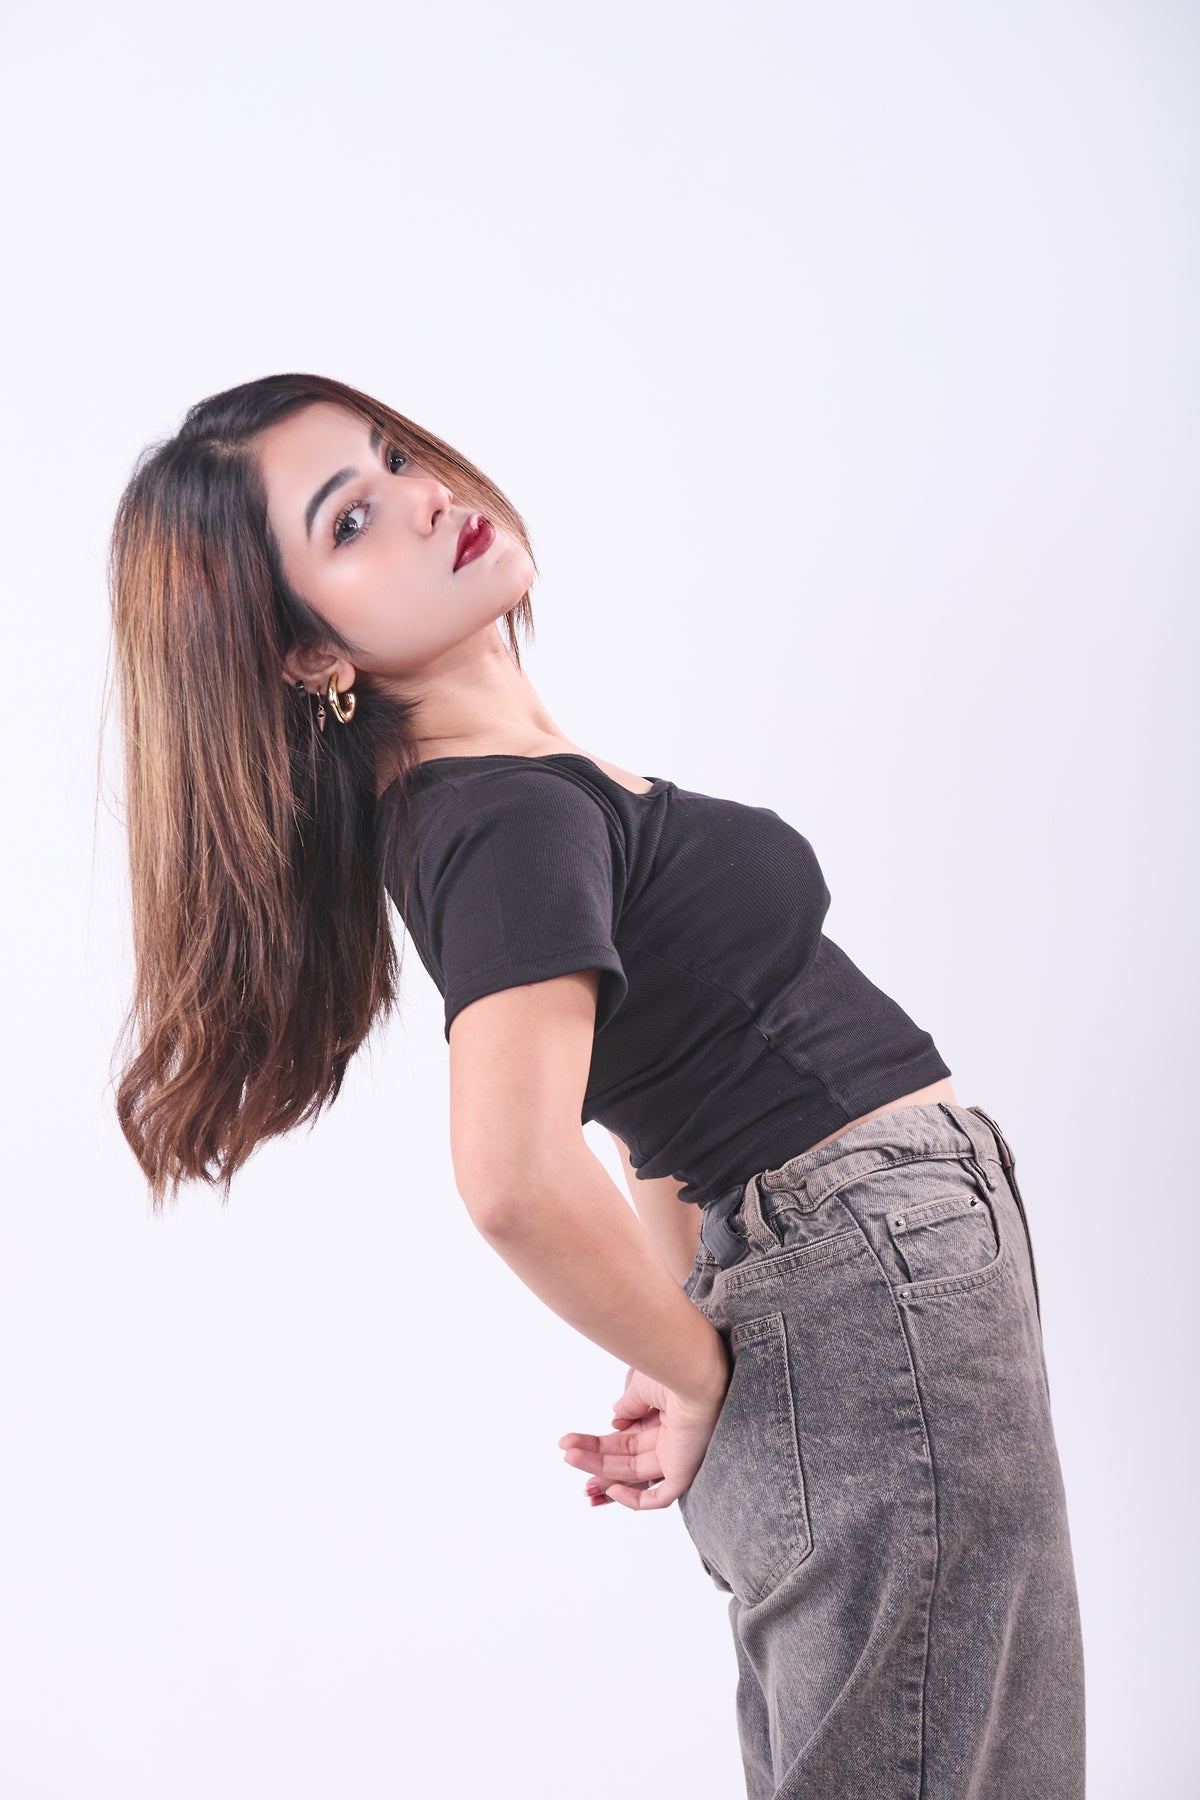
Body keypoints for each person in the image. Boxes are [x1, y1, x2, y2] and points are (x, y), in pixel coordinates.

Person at [106, 371, 1086, 1798]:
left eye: (393, 457)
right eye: (353, 518)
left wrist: (688, 1333)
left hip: (862, 1285)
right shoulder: (498, 817)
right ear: (308, 656)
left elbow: (655, 1100)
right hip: (871, 1287)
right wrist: (699, 1363)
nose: (426, 494)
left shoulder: (514, 784)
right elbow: (507, 1176)